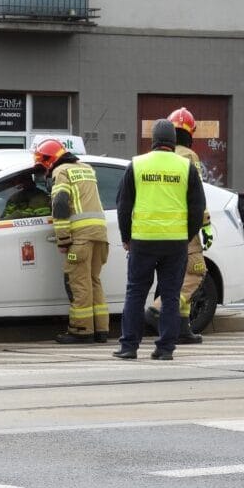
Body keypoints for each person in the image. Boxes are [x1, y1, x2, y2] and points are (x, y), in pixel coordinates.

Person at [114, 119, 205, 361]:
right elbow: (198, 208)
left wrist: (126, 237)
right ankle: (165, 349)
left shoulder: (137, 164)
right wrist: (186, 236)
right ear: (173, 142)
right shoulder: (185, 167)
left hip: (142, 241)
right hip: (175, 243)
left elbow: (123, 205)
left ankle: (129, 347)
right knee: (171, 295)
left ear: (153, 140)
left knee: (135, 293)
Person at [145, 107, 213, 344]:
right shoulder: (189, 157)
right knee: (196, 271)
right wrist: (205, 224)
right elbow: (196, 195)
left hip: (162, 226)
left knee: (178, 274)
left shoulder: (157, 157)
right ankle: (159, 308)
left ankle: (182, 327)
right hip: (186, 226)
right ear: (190, 132)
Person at [33, 139, 109, 344]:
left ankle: (82, 330)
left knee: (79, 283)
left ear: (49, 161)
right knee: (94, 281)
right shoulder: (87, 169)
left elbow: (59, 204)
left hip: (81, 237)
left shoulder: (61, 172)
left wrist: (63, 239)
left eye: (42, 165)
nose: (44, 172)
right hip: (100, 234)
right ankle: (101, 329)